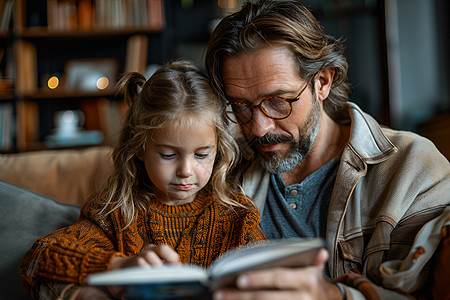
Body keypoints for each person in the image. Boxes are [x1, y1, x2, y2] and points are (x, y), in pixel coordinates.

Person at [204, 0, 450, 299]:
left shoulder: (412, 168)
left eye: (278, 101)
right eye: (240, 106)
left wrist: (332, 295)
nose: (259, 128)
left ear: (322, 82)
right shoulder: (218, 170)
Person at [19, 61, 267, 299]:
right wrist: (119, 266)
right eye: (169, 155)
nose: (186, 170)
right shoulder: (115, 213)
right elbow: (39, 257)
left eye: (202, 154)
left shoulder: (238, 215)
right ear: (140, 146)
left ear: (218, 148)